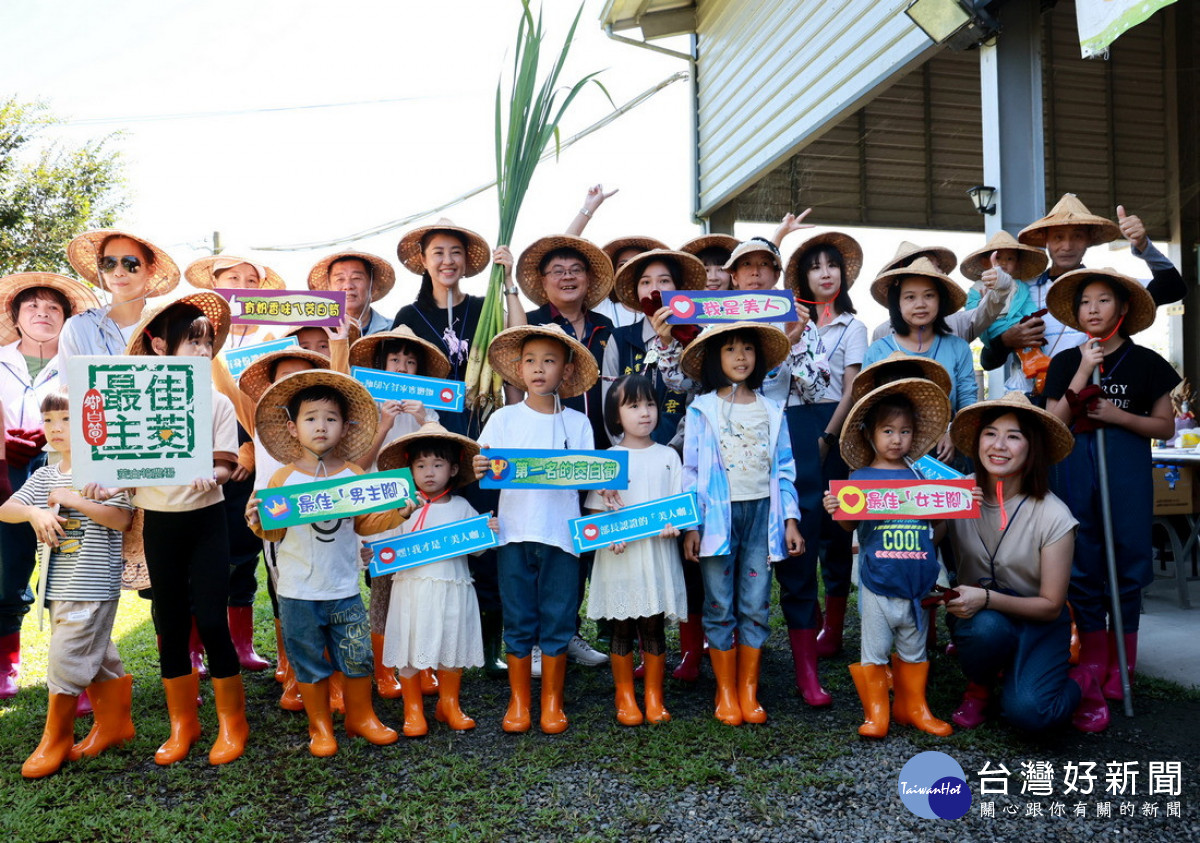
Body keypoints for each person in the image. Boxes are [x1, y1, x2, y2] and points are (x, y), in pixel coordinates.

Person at [247, 370, 406, 757]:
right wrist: (255, 519)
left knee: (357, 655)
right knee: (307, 661)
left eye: (331, 418)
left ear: (346, 427)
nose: (321, 426)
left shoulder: (354, 475)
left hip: (344, 590)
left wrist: (399, 512)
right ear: (293, 426)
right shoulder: (282, 479)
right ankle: (320, 728)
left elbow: (366, 523)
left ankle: (361, 717)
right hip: (297, 592)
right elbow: (275, 533)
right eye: (311, 418)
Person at [120, 289, 247, 765]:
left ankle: (233, 724)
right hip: (159, 523)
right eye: (191, 342)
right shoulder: (134, 397)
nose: (201, 351)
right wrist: (102, 480)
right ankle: (183, 725)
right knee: (169, 621)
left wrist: (209, 475)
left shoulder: (216, 402)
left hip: (206, 521)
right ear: (159, 347)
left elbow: (225, 466)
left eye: (206, 342)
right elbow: (118, 460)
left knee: (212, 619)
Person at [1043, 268, 1178, 715]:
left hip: (1126, 467)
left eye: (1103, 301)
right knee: (1082, 560)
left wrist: (1117, 415)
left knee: (1126, 557)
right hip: (1076, 466)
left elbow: (1164, 425)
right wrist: (1083, 368)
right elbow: (1054, 423)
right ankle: (1095, 663)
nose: (1093, 309)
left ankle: (1124, 667)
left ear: (1122, 309)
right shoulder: (1064, 361)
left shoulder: (1147, 363)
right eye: (1085, 302)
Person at [944, 393, 1109, 732]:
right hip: (981, 619)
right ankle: (980, 688)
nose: (999, 445)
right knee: (985, 628)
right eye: (990, 433)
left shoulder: (1053, 515)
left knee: (1031, 715)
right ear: (977, 442)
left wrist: (986, 598)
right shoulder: (956, 495)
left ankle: (1083, 681)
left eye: (1013, 436)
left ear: (1031, 448)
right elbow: (914, 544)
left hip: (1039, 622)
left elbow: (1051, 606)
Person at [393, 218, 515, 675]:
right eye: (438, 252)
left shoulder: (485, 307)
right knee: (427, 542)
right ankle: (425, 650)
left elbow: (514, 349)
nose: (447, 261)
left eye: (455, 253)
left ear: (467, 261)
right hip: (430, 441)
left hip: (481, 436)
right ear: (423, 261)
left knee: (484, 534)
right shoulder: (409, 316)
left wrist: (510, 284)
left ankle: (484, 650)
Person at [472, 324, 598, 734]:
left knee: (559, 615)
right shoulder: (504, 420)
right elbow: (484, 464)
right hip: (514, 533)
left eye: (549, 360)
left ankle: (552, 702)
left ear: (565, 369)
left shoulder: (578, 424)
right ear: (518, 369)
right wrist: (478, 466)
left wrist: (603, 488)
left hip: (563, 535)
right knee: (520, 617)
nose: (539, 368)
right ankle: (519, 702)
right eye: (530, 361)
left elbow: (592, 475)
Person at [1, 393, 134, 778]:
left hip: (93, 583)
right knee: (97, 655)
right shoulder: (44, 474)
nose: (55, 429)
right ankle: (115, 727)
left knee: (67, 657)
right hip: (58, 585)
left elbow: (121, 519)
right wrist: (33, 511)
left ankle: (55, 738)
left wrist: (70, 499)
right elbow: (5, 509)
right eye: (49, 421)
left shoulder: (108, 470)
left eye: (66, 419)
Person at [679, 322, 804, 726]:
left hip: (762, 516)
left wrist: (790, 519)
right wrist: (691, 525)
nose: (740, 357)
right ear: (716, 358)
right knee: (718, 603)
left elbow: (785, 469)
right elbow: (691, 468)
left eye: (748, 349)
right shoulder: (702, 409)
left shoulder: (772, 410)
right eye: (730, 349)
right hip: (717, 517)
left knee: (755, 603)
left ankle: (748, 690)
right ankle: (725, 690)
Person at [824, 378, 954, 738]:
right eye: (888, 431)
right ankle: (876, 712)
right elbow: (848, 525)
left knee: (915, 648)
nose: (897, 440)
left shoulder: (921, 475)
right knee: (876, 649)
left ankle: (914, 707)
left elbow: (939, 523)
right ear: (869, 434)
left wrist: (953, 511)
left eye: (905, 431)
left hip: (916, 581)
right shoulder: (861, 477)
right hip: (877, 580)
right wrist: (836, 507)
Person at [0, 272, 99, 701]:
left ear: (67, 318)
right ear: (15, 317)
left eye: (53, 308)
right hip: (6, 472)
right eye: (32, 307)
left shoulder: (84, 365)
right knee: (9, 565)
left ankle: (80, 667)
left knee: (73, 569)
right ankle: (7, 665)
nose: (42, 313)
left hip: (68, 472)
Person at [980, 194, 1187, 392]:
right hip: (1031, 403)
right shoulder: (1021, 291)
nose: (1067, 246)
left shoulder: (1109, 288)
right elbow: (987, 361)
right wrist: (1006, 340)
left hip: (1088, 401)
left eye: (1077, 236)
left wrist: (1143, 246)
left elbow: (1172, 289)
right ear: (1045, 240)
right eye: (1058, 237)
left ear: (1089, 238)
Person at [349, 325, 448, 699]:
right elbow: (357, 466)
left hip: (422, 517)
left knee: (421, 589)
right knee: (384, 593)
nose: (402, 368)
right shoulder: (365, 409)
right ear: (380, 365)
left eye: (409, 362)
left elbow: (445, 455)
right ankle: (384, 669)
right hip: (380, 515)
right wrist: (384, 423)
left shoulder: (428, 410)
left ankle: (422, 666)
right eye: (394, 360)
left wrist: (425, 419)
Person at [783, 232, 868, 661]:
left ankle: (833, 629)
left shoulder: (853, 326)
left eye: (831, 265)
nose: (825, 273)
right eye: (815, 266)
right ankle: (807, 623)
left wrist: (828, 437)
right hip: (790, 425)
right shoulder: (785, 322)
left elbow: (852, 388)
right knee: (799, 521)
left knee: (837, 529)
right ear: (802, 276)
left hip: (836, 426)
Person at [586, 375, 688, 725]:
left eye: (649, 404)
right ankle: (625, 696)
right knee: (622, 627)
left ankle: (654, 697)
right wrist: (607, 535)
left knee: (653, 625)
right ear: (616, 416)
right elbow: (595, 516)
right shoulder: (608, 460)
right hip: (620, 556)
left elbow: (679, 507)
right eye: (633, 406)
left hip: (657, 556)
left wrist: (676, 525)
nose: (644, 413)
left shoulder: (669, 457)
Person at [239, 347, 335, 712]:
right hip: (277, 520)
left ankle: (333, 679)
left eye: (301, 376)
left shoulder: (322, 423)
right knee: (286, 595)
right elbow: (226, 387)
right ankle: (294, 671)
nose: (292, 383)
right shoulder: (259, 418)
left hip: (326, 520)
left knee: (331, 595)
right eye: (284, 378)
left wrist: (339, 344)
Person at [378, 423, 490, 735]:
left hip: (451, 587)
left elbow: (479, 551)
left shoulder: (462, 507)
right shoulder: (403, 509)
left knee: (451, 643)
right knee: (411, 646)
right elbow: (385, 548)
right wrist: (370, 553)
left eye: (438, 465)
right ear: (410, 469)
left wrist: (486, 532)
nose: (429, 472)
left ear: (453, 469)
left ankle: (448, 704)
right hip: (411, 591)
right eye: (421, 465)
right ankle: (413, 710)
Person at [862, 256, 977, 462]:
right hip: (889, 457)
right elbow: (865, 408)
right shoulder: (878, 350)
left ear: (940, 300)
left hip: (946, 456)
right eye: (910, 297)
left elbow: (968, 403)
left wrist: (952, 433)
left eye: (929, 295)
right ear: (897, 303)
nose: (920, 304)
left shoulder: (958, 348)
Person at [58, 229, 180, 388]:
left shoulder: (172, 327)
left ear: (150, 269)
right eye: (109, 263)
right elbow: (67, 396)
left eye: (130, 263)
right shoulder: (79, 328)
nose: (118, 272)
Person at [959, 232, 1050, 393]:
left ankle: (1038, 372)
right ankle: (1034, 367)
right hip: (995, 327)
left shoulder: (1020, 286)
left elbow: (1027, 304)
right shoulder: (979, 287)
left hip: (1017, 323)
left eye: (1010, 259)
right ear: (986, 262)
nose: (1003, 263)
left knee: (1031, 340)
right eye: (998, 258)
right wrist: (982, 303)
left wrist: (1032, 318)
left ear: (1017, 263)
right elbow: (971, 312)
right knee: (1022, 343)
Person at [307, 251, 396, 336]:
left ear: (371, 285)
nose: (348, 286)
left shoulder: (393, 330)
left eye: (356, 278)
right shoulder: (316, 334)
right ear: (329, 288)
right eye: (340, 279)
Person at [596, 236, 669, 329]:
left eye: (637, 264)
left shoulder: (667, 306)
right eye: (622, 265)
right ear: (614, 271)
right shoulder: (602, 306)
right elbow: (571, 249)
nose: (628, 269)